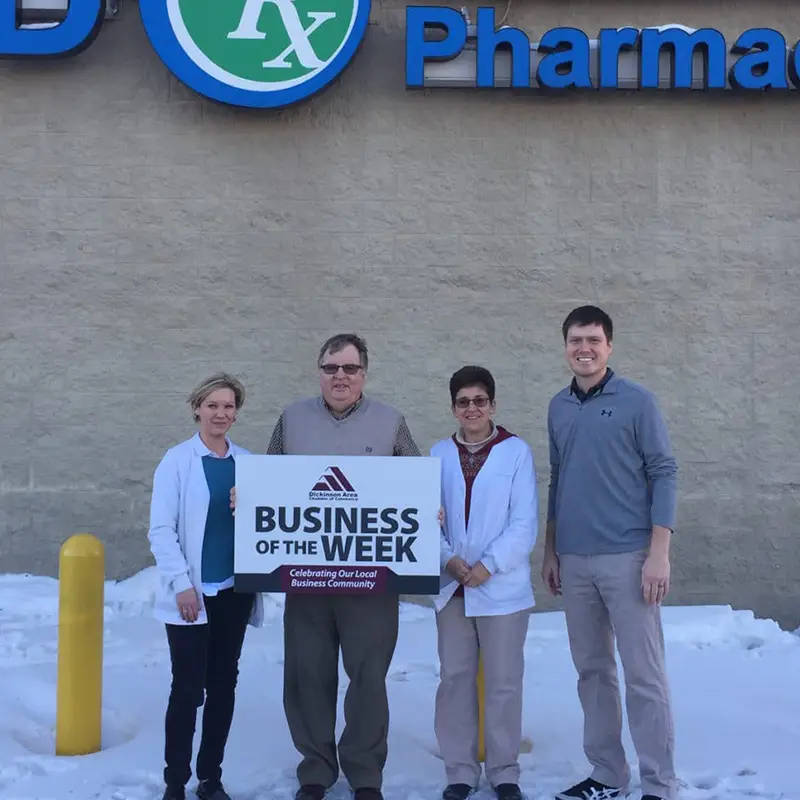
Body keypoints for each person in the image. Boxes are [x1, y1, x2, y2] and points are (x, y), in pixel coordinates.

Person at [266, 333, 422, 800]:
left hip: (372, 578)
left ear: (364, 374)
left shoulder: (390, 422)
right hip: (307, 577)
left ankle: (365, 773)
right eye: (331, 367)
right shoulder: (291, 420)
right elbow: (270, 481)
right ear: (319, 371)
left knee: (368, 677)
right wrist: (247, 498)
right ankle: (315, 768)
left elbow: (413, 480)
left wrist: (425, 507)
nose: (340, 377)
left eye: (350, 369)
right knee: (307, 673)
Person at [542, 306, 678, 800]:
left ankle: (659, 785)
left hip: (629, 558)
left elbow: (664, 470)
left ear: (609, 346)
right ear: (565, 347)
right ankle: (607, 775)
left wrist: (658, 552)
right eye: (576, 340)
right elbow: (558, 479)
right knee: (593, 673)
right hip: (575, 562)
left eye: (594, 340)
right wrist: (551, 550)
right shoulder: (558, 405)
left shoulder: (638, 402)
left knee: (644, 675)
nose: (585, 348)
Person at [148, 372, 265, 800]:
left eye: (229, 406)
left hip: (235, 592)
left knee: (222, 686)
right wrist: (181, 583)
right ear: (197, 407)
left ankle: (209, 777)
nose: (221, 414)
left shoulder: (248, 462)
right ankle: (175, 781)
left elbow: (265, 524)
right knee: (186, 689)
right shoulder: (177, 460)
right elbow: (161, 529)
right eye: (213, 405)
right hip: (192, 596)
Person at [430, 366, 538, 800]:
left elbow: (524, 521)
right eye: (463, 401)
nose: (471, 408)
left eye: (480, 400)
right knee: (454, 678)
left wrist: (488, 566)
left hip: (502, 587)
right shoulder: (438, 453)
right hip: (452, 585)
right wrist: (450, 561)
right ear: (453, 407)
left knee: (503, 681)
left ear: (493, 404)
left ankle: (504, 771)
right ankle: (459, 771)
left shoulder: (516, 452)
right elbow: (425, 516)